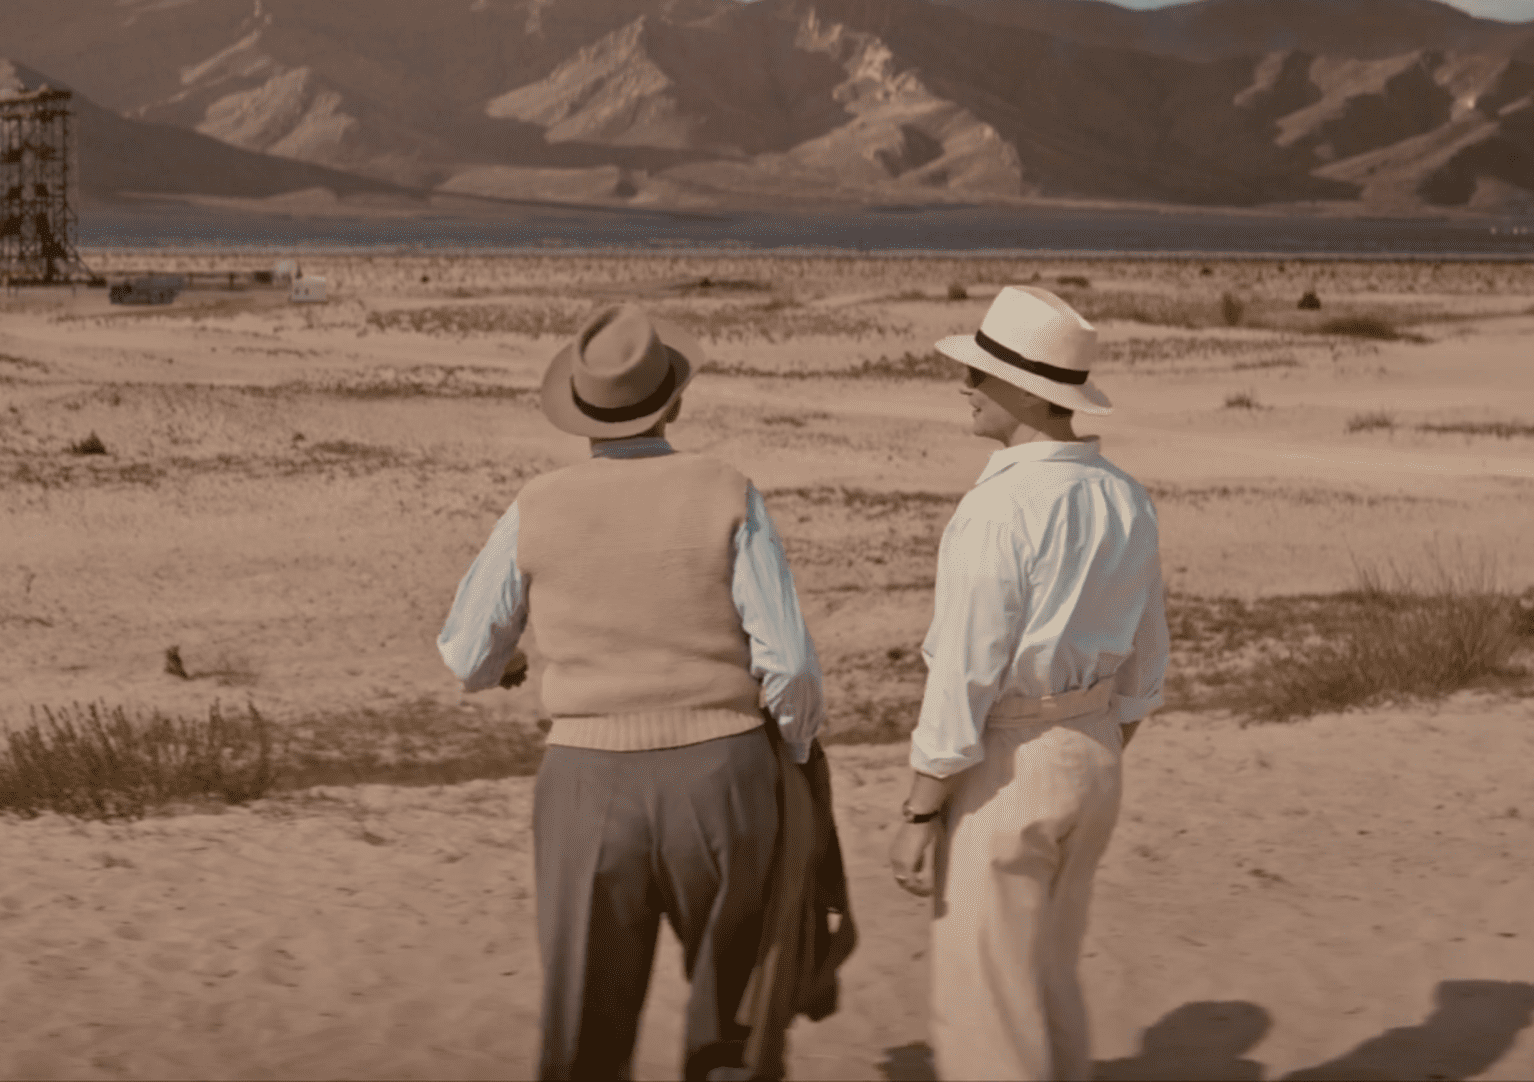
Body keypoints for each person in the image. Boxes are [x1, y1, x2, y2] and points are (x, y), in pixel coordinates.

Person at [438, 302, 826, 1082]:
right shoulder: (727, 490)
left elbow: (467, 654)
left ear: (580, 414)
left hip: (586, 783)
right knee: (734, 1018)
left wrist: (514, 665)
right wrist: (787, 747)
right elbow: (787, 661)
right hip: (724, 773)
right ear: (673, 400)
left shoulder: (536, 505)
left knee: (585, 1020)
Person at [886, 285, 1168, 1082]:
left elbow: (966, 671)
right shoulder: (1126, 500)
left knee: (988, 1013)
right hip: (1094, 754)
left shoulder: (999, 508)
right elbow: (1148, 660)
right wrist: (1095, 738)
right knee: (1048, 982)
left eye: (979, 374)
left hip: (1009, 762)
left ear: (1024, 390)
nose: (965, 386)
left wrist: (921, 804)